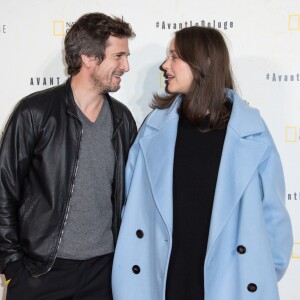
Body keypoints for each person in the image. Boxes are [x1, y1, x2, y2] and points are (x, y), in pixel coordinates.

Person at [112, 26, 293, 300]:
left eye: (174, 57)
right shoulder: (154, 130)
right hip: (161, 280)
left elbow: (274, 217)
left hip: (228, 283)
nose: (165, 65)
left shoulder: (250, 131)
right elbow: (131, 209)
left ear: (204, 63)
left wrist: (254, 273)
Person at [0, 12, 137, 300]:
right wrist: (12, 263)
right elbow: (4, 191)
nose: (126, 66)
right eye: (119, 56)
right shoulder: (35, 112)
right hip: (42, 272)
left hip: (103, 273)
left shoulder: (123, 120)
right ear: (89, 57)